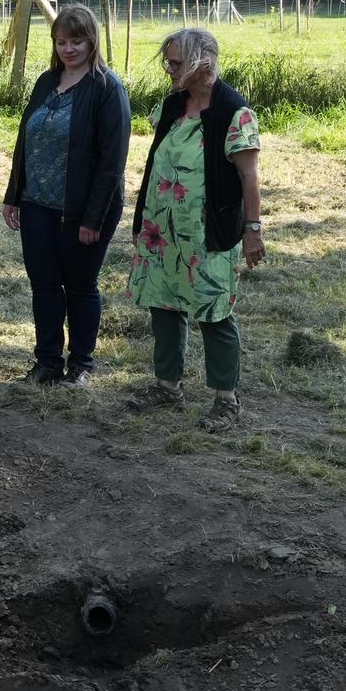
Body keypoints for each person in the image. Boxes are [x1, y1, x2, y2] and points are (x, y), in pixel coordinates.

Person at [124, 27, 265, 432]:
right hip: (162, 231)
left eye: (176, 62)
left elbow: (249, 179)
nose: (169, 69)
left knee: (215, 311)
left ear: (202, 62)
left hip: (209, 233)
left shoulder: (233, 112)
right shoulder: (172, 107)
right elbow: (154, 165)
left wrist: (252, 230)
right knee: (163, 305)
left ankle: (226, 399)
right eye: (168, 61)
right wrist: (140, 223)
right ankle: (167, 386)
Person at [1, 3, 132, 388]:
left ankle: (81, 366)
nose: (69, 49)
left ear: (92, 41)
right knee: (43, 285)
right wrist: (14, 194)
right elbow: (26, 140)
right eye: (62, 41)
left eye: (77, 41)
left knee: (79, 285)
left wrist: (93, 218)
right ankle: (46, 363)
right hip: (37, 203)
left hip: (82, 211)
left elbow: (112, 161)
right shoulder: (46, 82)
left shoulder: (107, 90)